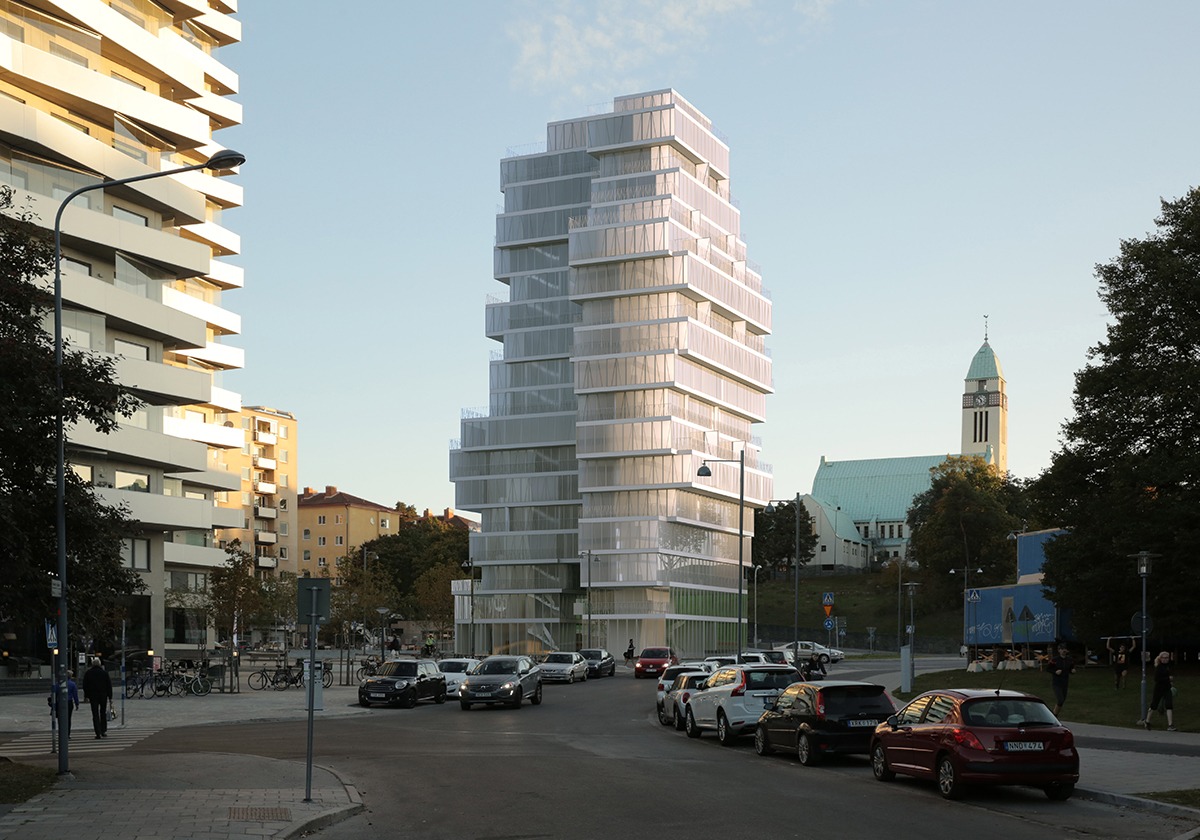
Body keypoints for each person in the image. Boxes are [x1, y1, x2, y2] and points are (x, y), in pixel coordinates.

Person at [1142, 651, 1176, 731]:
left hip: (1167, 688)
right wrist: (1168, 678)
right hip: (1159, 688)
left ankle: (1170, 724)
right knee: (1154, 705)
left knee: (1169, 705)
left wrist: (1171, 682)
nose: (1165, 659)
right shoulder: (1159, 667)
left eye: (1166, 658)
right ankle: (1147, 721)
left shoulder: (1168, 666)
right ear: (1160, 659)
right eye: (1163, 658)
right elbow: (1156, 679)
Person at [81, 657, 113, 739]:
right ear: (99, 664)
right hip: (103, 695)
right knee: (103, 712)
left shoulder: (88, 673)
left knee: (95, 713)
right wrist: (110, 697)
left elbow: (85, 685)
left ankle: (97, 732)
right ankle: (103, 730)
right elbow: (109, 685)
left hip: (93, 696)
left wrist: (86, 696)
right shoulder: (104, 673)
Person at [48, 670, 80, 737]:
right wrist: (77, 703)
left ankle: (61, 732)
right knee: (68, 718)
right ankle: (67, 733)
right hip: (69, 702)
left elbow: (54, 693)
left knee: (61, 719)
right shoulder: (72, 684)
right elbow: (75, 695)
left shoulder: (58, 684)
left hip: (60, 702)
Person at [1047, 645, 1075, 716]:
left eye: (1065, 649)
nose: (1063, 650)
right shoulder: (1055, 659)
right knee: (1060, 700)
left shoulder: (1069, 660)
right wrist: (1055, 672)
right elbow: (1048, 669)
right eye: (1062, 649)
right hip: (1056, 683)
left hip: (1065, 683)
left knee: (1062, 701)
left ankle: (1054, 715)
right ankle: (1054, 716)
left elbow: (1071, 668)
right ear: (1059, 650)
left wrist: (1072, 671)